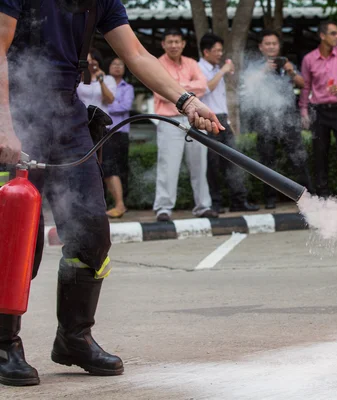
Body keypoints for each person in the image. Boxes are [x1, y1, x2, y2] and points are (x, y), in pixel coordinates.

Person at [0, 0, 224, 386]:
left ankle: (74, 338)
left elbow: (135, 53)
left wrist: (185, 100)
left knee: (90, 231)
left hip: (68, 116)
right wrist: (4, 124)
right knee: (17, 238)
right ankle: (4, 344)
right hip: (18, 109)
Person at [153, 28, 217, 222]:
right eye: (170, 41)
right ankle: (163, 208)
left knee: (199, 164)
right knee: (168, 166)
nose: (174, 45)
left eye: (177, 41)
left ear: (183, 44)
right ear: (163, 44)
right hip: (169, 120)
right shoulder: (157, 64)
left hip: (194, 120)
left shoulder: (191, 63)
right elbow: (159, 93)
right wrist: (187, 90)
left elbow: (203, 86)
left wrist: (174, 88)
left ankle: (203, 206)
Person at [198, 33, 259, 213]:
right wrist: (223, 71)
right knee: (212, 165)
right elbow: (205, 89)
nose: (219, 53)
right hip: (207, 120)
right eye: (216, 50)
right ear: (206, 52)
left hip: (223, 118)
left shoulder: (218, 68)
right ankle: (215, 203)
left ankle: (238, 201)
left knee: (234, 161)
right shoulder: (198, 68)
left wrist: (230, 120)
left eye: (220, 50)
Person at [252, 29, 313, 209]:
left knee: (298, 158)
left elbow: (303, 84)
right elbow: (248, 87)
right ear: (261, 47)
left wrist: (292, 72)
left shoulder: (288, 63)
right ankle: (270, 198)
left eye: (274, 44)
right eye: (267, 44)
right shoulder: (256, 67)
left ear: (279, 46)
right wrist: (263, 71)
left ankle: (306, 197)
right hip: (265, 118)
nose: (271, 47)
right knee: (267, 161)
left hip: (288, 118)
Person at [299, 21, 337, 198]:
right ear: (322, 36)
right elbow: (305, 86)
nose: (336, 37)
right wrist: (303, 111)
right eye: (333, 33)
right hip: (319, 111)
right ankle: (322, 193)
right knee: (320, 151)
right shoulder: (309, 59)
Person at [105, 57, 134, 218]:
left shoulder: (127, 87)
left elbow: (125, 106)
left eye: (120, 65)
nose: (116, 67)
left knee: (121, 167)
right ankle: (112, 203)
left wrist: (108, 103)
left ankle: (123, 203)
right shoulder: (101, 83)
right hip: (106, 132)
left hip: (121, 132)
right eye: (113, 64)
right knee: (107, 168)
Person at [76, 49, 116, 114]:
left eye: (92, 60)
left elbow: (110, 100)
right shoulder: (79, 78)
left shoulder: (108, 79)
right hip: (82, 117)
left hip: (100, 119)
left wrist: (101, 81)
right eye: (88, 61)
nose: (90, 63)